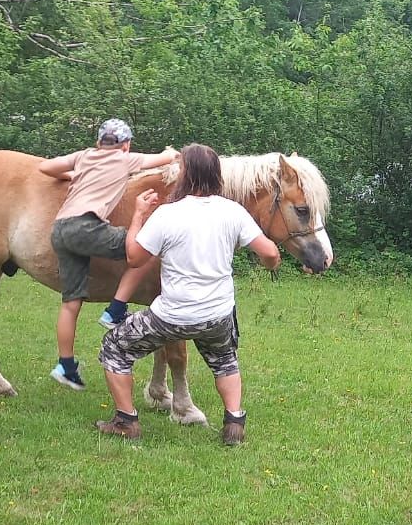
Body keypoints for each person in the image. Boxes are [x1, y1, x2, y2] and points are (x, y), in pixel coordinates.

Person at [93, 143, 281, 446]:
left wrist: (138, 215)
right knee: (225, 361)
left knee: (114, 348)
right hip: (217, 316)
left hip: (172, 317)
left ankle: (126, 421)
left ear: (186, 175)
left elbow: (135, 258)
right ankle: (234, 423)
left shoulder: (167, 214)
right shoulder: (233, 211)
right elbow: (270, 253)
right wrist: (271, 263)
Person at [39, 119, 179, 390]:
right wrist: (172, 152)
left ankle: (65, 365)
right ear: (126, 145)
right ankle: (115, 310)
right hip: (86, 227)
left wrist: (73, 175)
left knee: (71, 302)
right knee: (144, 248)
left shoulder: (83, 156)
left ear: (98, 142)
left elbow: (45, 167)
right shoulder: (124, 159)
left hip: (60, 230)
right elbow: (164, 159)